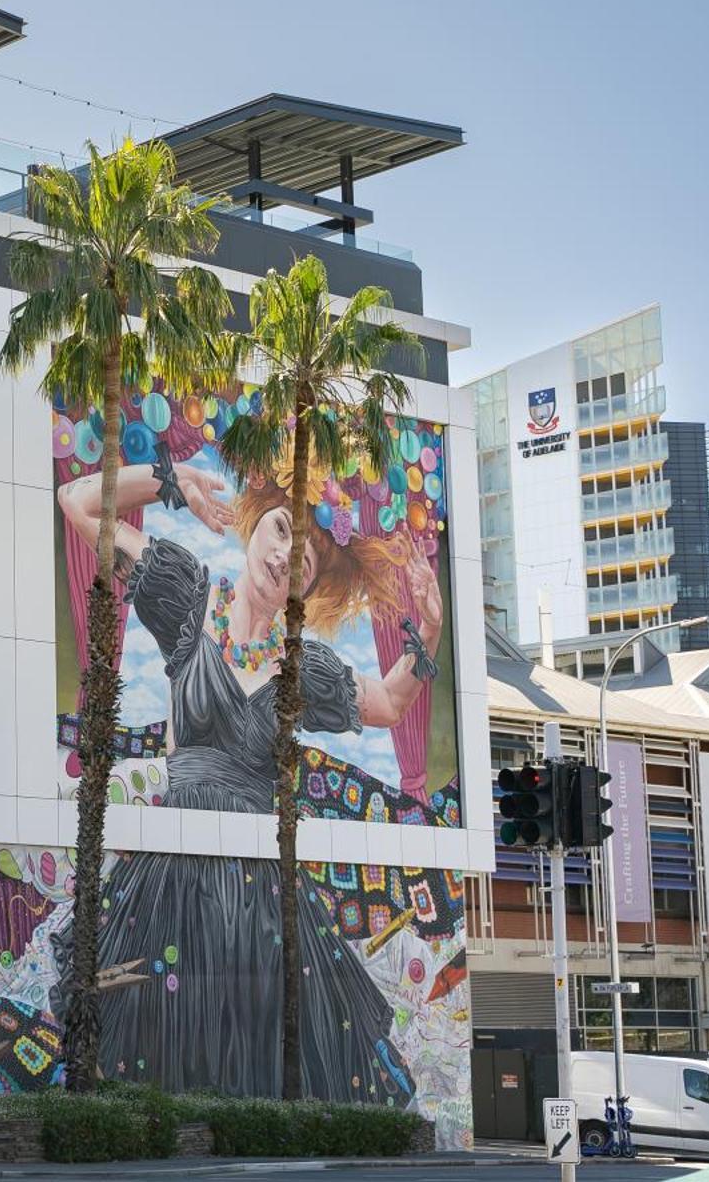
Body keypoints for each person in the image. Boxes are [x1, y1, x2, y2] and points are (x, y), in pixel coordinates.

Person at [50, 455, 443, 1101]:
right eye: (282, 530)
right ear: (256, 525)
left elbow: (389, 703)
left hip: (259, 895)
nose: (287, 556)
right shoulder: (186, 594)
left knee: (260, 1064)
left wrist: (426, 630)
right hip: (172, 881)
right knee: (161, 1052)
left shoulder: (301, 667)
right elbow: (77, 501)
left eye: (305, 564)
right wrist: (169, 481)